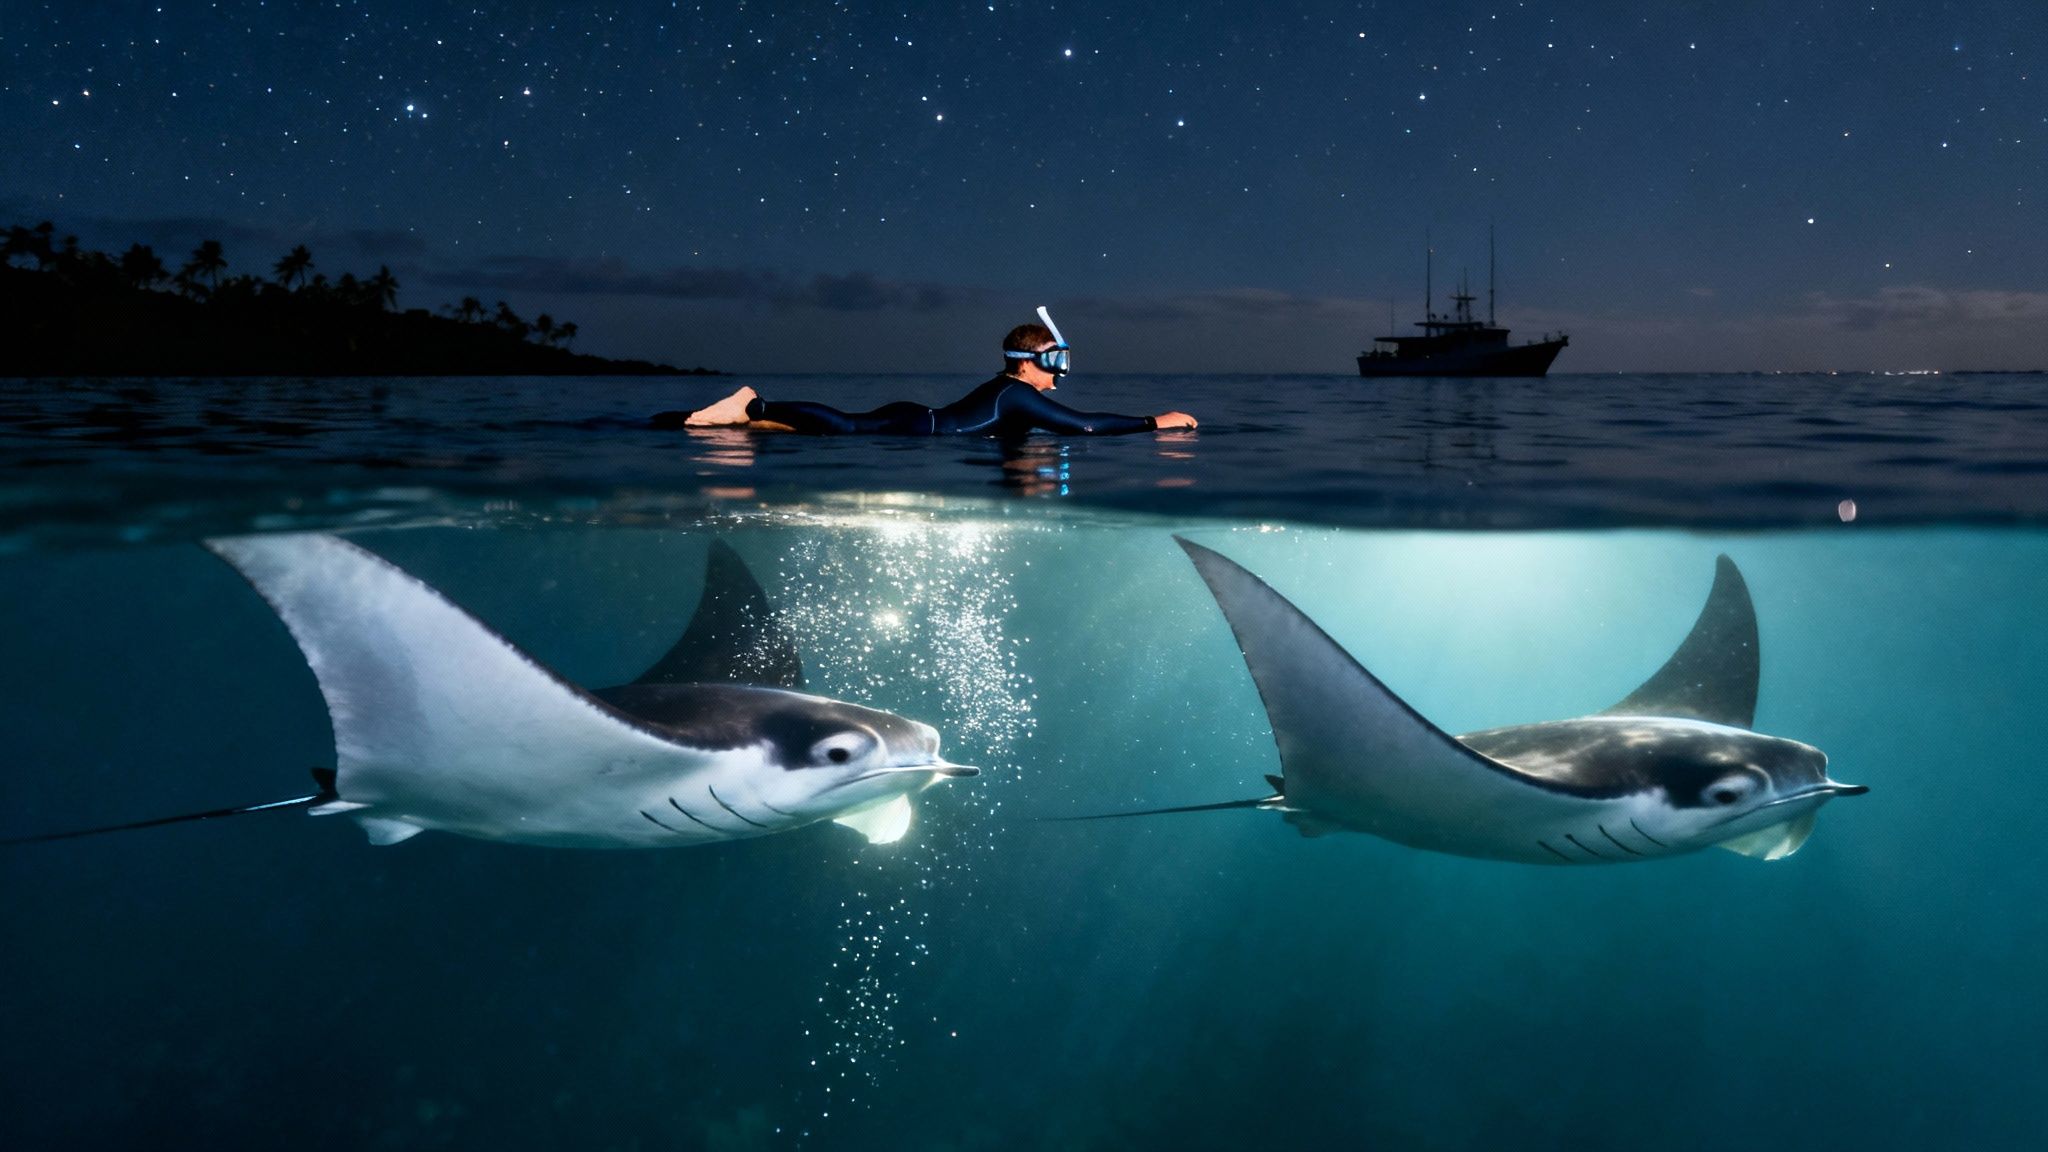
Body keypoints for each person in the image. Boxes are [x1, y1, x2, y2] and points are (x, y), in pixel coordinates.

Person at [655, 308, 1197, 435]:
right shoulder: (1016, 395)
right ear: (1029, 363)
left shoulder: (1010, 394)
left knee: (833, 428)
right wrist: (1157, 422)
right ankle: (755, 404)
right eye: (1055, 363)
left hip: (921, 421)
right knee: (845, 429)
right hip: (917, 429)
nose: (1060, 374)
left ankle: (705, 420)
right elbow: (1083, 426)